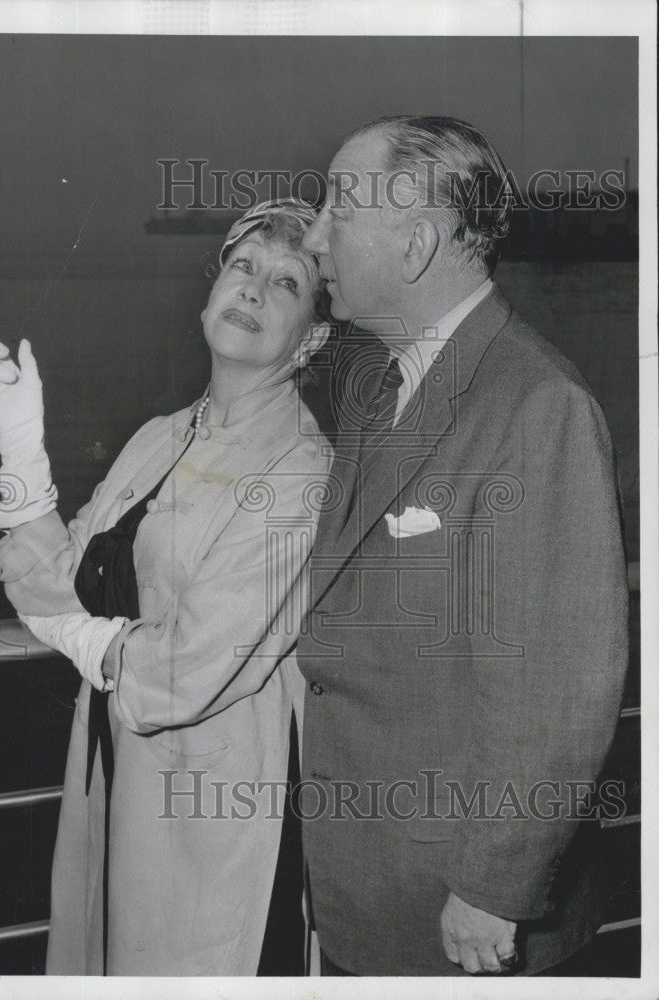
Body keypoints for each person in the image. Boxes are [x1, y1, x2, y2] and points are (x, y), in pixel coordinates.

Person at [295, 116, 629, 976]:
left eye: (337, 206)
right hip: (368, 883)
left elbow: (557, 684)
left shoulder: (537, 405)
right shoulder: (378, 388)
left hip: (462, 913)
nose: (315, 233)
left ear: (414, 245)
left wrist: (494, 888)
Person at [0, 199, 331, 976]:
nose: (254, 290)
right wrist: (19, 437)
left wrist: (75, 636)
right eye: (242, 266)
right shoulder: (161, 436)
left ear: (313, 339)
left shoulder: (300, 472)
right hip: (118, 772)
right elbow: (51, 581)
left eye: (287, 282)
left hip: (217, 804)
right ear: (210, 293)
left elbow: (180, 676)